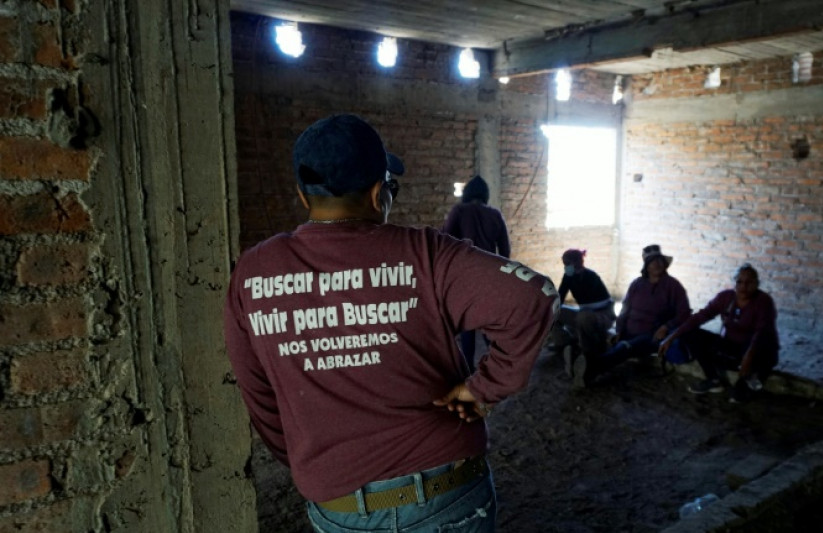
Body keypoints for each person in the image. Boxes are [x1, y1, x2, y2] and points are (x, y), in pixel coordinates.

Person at [223, 114, 559, 533]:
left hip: (339, 508)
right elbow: (536, 297)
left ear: (302, 194)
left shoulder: (252, 273)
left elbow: (259, 397)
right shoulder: (425, 255)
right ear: (380, 192)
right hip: (445, 494)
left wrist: (317, 463)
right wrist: (483, 389)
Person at [658, 263, 779, 402]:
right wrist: (671, 337)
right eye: (739, 282)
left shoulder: (763, 302)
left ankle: (749, 378)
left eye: (749, 282)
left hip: (754, 349)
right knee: (690, 334)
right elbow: (700, 317)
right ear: (734, 283)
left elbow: (762, 332)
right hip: (731, 347)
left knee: (742, 392)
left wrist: (749, 356)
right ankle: (713, 379)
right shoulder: (726, 298)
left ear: (757, 283)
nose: (743, 286)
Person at [573, 244, 690, 387]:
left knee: (625, 347)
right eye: (653, 261)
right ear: (646, 266)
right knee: (608, 339)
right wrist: (619, 330)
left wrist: (667, 326)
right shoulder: (637, 284)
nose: (657, 264)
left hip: (652, 334)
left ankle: (589, 369)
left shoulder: (673, 286)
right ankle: (585, 366)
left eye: (660, 260)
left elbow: (685, 313)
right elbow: (625, 309)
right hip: (629, 331)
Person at [442, 175, 511, 371]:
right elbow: (505, 251)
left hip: (464, 276)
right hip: (490, 275)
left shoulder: (459, 211)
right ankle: (498, 366)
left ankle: (469, 369)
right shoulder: (495, 214)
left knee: (467, 325)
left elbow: (445, 240)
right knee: (489, 323)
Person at [549, 249, 615, 385]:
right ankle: (564, 343)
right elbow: (560, 296)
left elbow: (597, 303)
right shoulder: (569, 276)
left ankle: (587, 354)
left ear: (578, 262)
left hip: (603, 315)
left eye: (567, 263)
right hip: (585, 313)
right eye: (564, 263)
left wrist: (574, 278)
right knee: (553, 313)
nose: (565, 266)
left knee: (583, 318)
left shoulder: (591, 276)